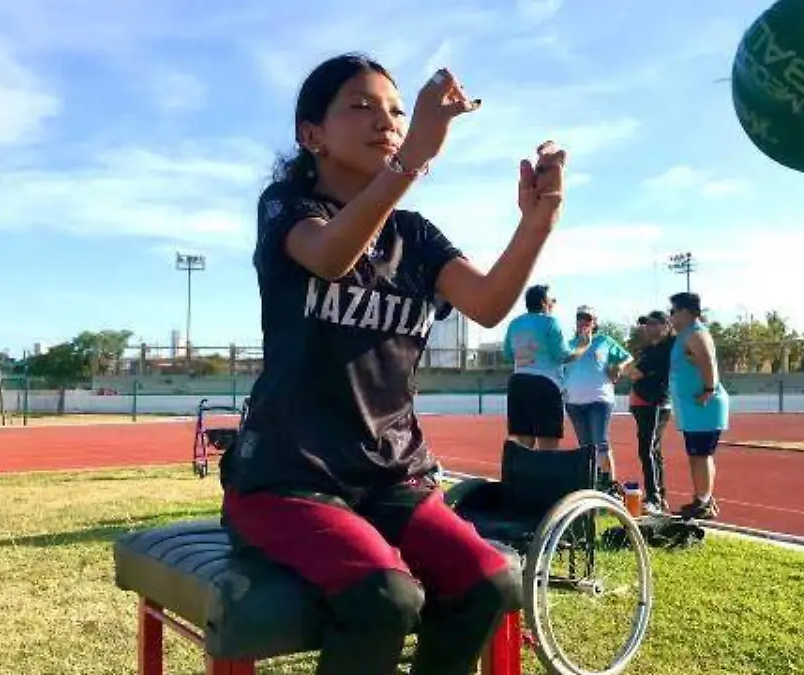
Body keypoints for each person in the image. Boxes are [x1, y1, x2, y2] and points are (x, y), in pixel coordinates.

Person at [219, 53, 569, 675]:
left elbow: (489, 304)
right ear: (311, 134)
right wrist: (412, 158)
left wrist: (537, 223)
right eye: (361, 106)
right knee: (386, 597)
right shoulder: (288, 207)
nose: (386, 121)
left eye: (398, 111)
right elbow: (330, 257)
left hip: (391, 476)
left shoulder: (416, 236)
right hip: (287, 478)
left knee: (489, 582)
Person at [667, 292, 729, 520]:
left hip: (703, 407)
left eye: (673, 311)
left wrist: (709, 389)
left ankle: (703, 502)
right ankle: (701, 499)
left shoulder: (696, 333)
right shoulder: (685, 334)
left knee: (701, 455)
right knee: (697, 455)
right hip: (693, 409)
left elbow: (706, 360)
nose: (671, 316)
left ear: (685, 311)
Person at [501, 284, 584, 450]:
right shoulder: (550, 322)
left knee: (524, 445)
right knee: (548, 445)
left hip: (518, 383)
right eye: (552, 300)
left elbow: (508, 354)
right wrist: (583, 347)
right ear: (544, 302)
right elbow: (562, 355)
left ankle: (525, 468)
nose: (554, 304)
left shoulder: (514, 323)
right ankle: (546, 468)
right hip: (545, 385)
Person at [562, 305, 633, 489]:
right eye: (580, 318)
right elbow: (560, 366)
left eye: (587, 319)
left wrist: (618, 366)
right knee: (585, 446)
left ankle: (609, 483)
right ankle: (590, 482)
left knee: (600, 442)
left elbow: (627, 357)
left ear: (594, 323)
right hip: (574, 402)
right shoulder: (569, 344)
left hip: (599, 399)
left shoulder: (604, 341)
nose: (583, 322)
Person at [627, 311, 674, 514]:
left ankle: (655, 497)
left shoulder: (664, 349)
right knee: (651, 450)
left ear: (666, 325)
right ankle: (658, 495)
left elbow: (635, 373)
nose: (649, 328)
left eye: (654, 323)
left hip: (654, 403)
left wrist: (629, 369)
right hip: (645, 404)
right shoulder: (650, 349)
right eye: (647, 324)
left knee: (647, 450)